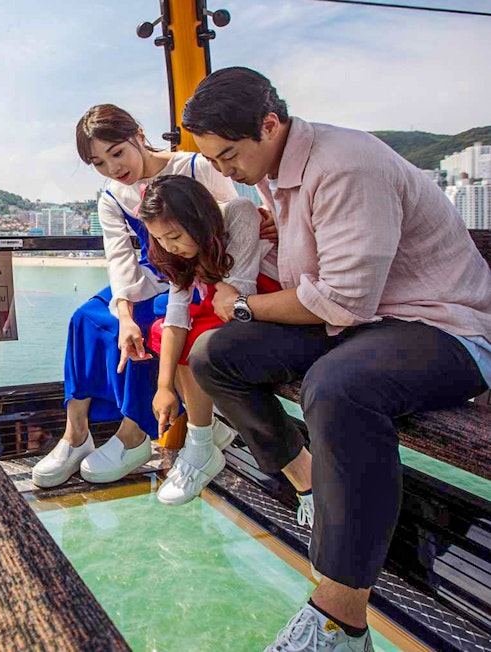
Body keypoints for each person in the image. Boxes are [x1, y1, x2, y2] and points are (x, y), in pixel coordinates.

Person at [181, 67, 491, 651]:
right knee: (212, 354)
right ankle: (313, 485)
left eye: (228, 156)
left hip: (443, 326)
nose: (224, 171)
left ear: (270, 124)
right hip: (364, 323)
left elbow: (344, 299)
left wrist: (244, 304)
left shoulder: (345, 163)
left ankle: (340, 621)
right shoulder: (277, 171)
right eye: (214, 160)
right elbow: (326, 288)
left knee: (337, 387)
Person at [31, 103, 241, 488]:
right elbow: (120, 259)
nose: (113, 168)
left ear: (139, 136)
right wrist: (124, 314)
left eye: (117, 153)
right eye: (99, 162)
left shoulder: (195, 167)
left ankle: (135, 433)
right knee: (86, 318)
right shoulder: (112, 197)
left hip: (196, 276)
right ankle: (75, 433)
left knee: (150, 323)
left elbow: (234, 225)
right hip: (149, 276)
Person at [136, 175, 283, 507]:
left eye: (174, 236)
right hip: (221, 301)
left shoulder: (238, 212)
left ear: (197, 220)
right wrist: (163, 387)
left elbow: (239, 288)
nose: (169, 247)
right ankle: (206, 431)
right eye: (160, 239)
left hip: (259, 299)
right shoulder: (182, 253)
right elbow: (176, 316)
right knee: (161, 330)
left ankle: (201, 443)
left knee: (197, 334)